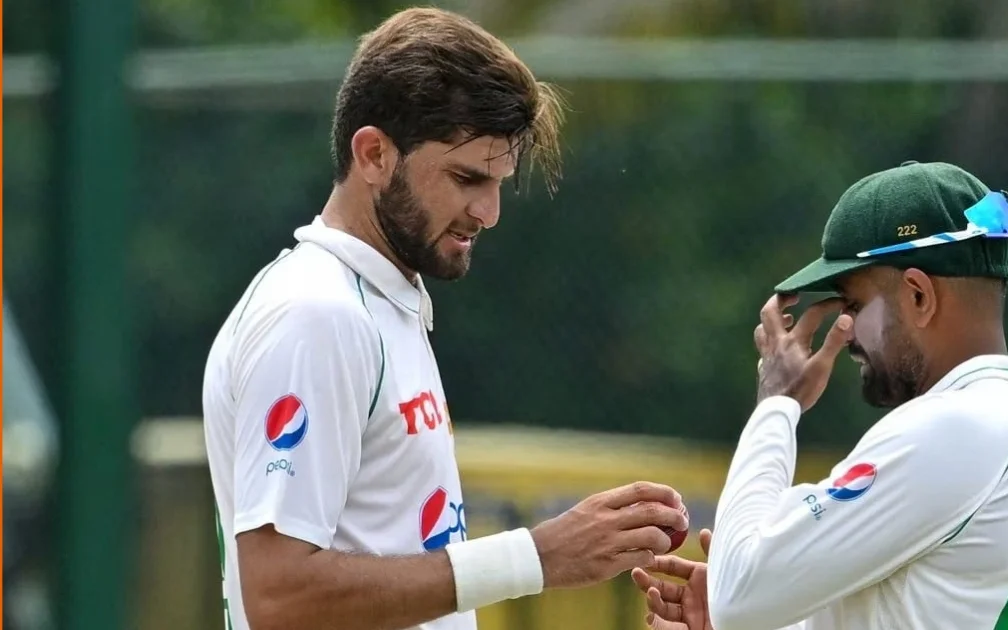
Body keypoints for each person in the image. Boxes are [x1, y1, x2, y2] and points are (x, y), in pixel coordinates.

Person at [201, 8, 688, 630]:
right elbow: (278, 596)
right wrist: (537, 556)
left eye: (500, 182)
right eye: (467, 178)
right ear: (374, 154)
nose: (489, 213)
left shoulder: (377, 303)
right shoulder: (317, 315)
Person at [631, 161, 1008, 630]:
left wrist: (776, 403)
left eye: (854, 304)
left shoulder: (955, 429)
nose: (846, 330)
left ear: (918, 295)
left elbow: (738, 592)